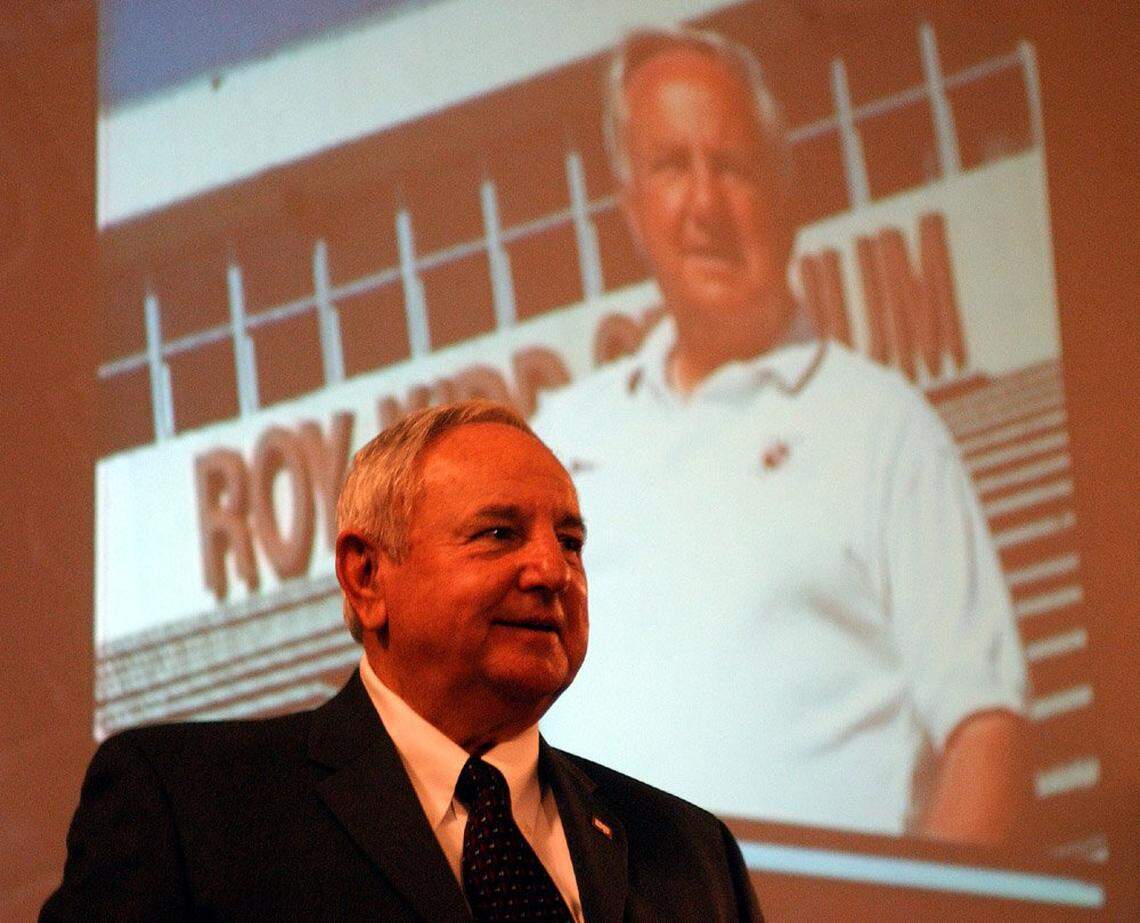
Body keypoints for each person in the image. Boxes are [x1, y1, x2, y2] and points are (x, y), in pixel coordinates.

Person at [533, 26, 1030, 844]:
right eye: (670, 167)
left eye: (730, 166)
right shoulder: (562, 440)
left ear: (782, 187)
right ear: (630, 208)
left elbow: (989, 738)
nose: (703, 204)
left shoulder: (882, 427)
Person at [42, 400, 762, 921]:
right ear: (366, 576)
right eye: (499, 532)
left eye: (570, 541)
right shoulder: (189, 806)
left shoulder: (693, 854)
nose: (551, 570)